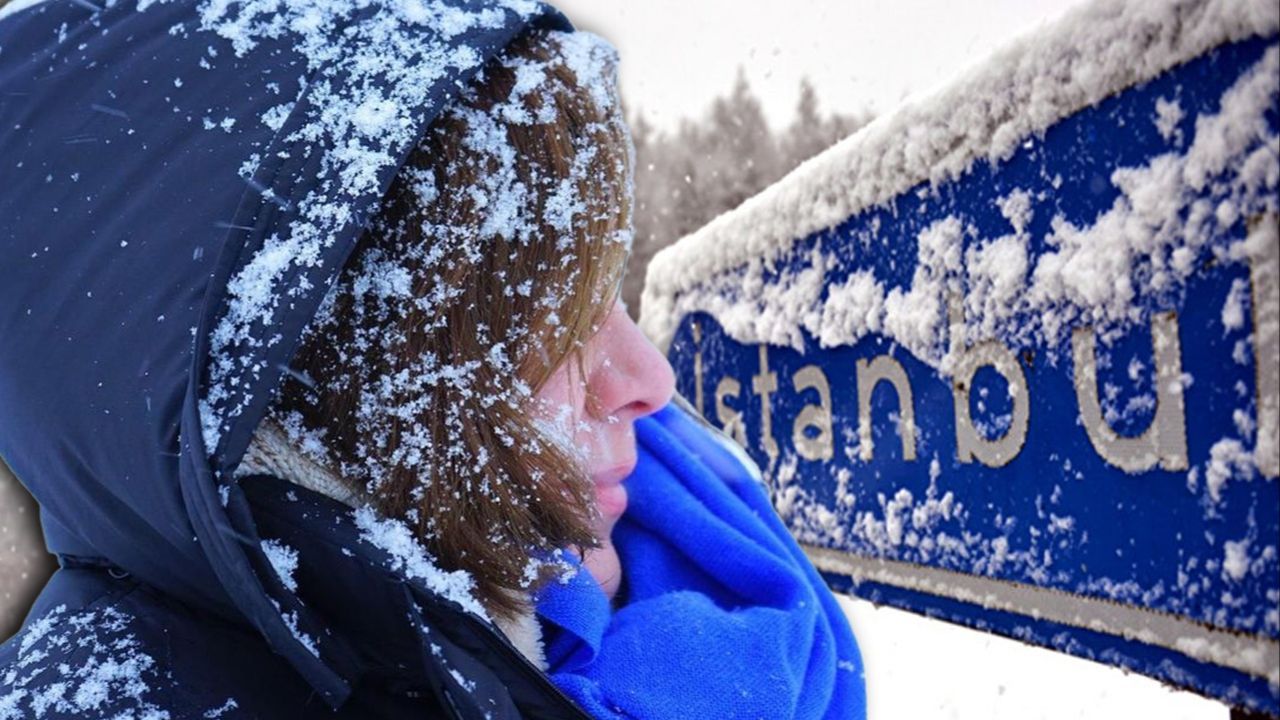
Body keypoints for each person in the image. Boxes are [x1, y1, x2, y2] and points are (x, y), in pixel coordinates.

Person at [0, 0, 865, 717]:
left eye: (611, 296)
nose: (652, 382)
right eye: (555, 330)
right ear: (344, 387)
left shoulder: (624, 578)